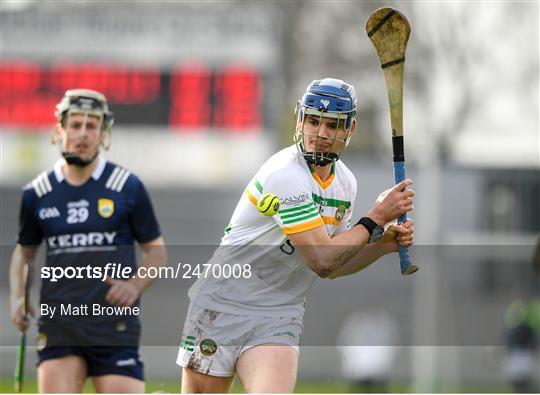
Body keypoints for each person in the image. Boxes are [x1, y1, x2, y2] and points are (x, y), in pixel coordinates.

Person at [176, 78, 415, 393]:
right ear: (299, 119)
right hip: (222, 304)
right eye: (313, 121)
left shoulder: (345, 183)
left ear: (350, 130)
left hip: (280, 311)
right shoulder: (285, 175)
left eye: (332, 125)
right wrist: (376, 218)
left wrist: (382, 244)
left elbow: (337, 263)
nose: (320, 134)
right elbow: (321, 260)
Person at [9, 89, 167, 393]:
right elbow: (24, 253)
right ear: (60, 131)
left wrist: (133, 285)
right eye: (75, 124)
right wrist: (19, 297)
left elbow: (157, 254)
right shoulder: (37, 193)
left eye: (91, 126)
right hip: (60, 325)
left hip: (114, 327)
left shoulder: (126, 187)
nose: (82, 134)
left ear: (103, 134)